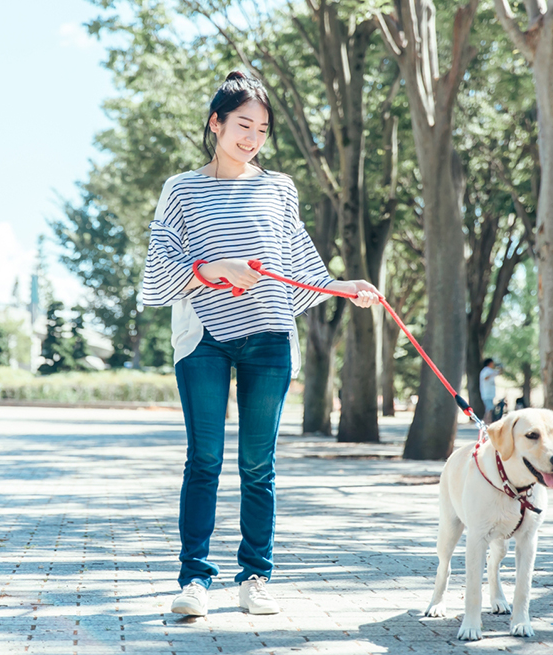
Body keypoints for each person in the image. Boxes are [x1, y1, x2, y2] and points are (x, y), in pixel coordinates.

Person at [140, 71, 380, 617]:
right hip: (203, 335)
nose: (252, 138)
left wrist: (343, 286)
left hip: (269, 335)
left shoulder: (279, 188)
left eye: (263, 129)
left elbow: (296, 260)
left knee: (258, 463)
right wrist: (210, 269)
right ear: (216, 124)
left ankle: (255, 577)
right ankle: (195, 580)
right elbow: (159, 266)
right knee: (204, 459)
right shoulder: (181, 189)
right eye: (243, 124)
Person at [479, 358, 500, 423]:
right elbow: (485, 377)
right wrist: (492, 374)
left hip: (490, 393)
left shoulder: (490, 370)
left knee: (490, 408)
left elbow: (499, 373)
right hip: (486, 393)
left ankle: (488, 421)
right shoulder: (486, 371)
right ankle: (486, 421)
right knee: (489, 408)